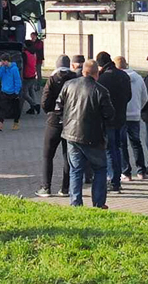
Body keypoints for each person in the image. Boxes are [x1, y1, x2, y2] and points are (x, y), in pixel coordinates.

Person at [60, 60, 114, 208]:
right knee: (100, 169)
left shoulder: (68, 85)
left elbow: (59, 107)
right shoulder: (101, 90)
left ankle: (75, 202)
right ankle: (98, 203)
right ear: (97, 74)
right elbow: (109, 114)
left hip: (71, 134)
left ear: (83, 71)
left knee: (76, 170)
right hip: (93, 136)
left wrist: (65, 123)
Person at [36, 55, 78, 198]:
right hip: (71, 121)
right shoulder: (76, 79)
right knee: (68, 156)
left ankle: (46, 187)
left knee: (48, 155)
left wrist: (50, 111)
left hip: (54, 121)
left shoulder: (52, 79)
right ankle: (65, 188)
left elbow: (45, 102)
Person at [94, 51, 130, 192]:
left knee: (109, 150)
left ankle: (112, 179)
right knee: (118, 148)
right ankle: (117, 178)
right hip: (121, 117)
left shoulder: (102, 79)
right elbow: (129, 96)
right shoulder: (124, 75)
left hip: (107, 120)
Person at [115, 56, 148, 180]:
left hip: (122, 115)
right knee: (136, 143)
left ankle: (126, 172)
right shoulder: (139, 78)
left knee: (122, 144)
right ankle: (141, 171)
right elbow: (145, 96)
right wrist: (139, 108)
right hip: (135, 115)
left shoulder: (118, 78)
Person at [0, 54, 22, 132]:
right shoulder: (3, 68)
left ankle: (16, 123)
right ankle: (0, 124)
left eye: (2, 62)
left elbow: (17, 81)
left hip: (13, 92)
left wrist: (17, 91)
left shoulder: (14, 69)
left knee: (16, 109)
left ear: (6, 61)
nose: (1, 63)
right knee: (3, 108)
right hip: (4, 91)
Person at [22, 43, 41, 115]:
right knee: (31, 91)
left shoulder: (25, 54)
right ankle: (32, 108)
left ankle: (35, 105)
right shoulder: (33, 54)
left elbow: (23, 65)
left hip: (27, 76)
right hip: (33, 74)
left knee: (24, 93)